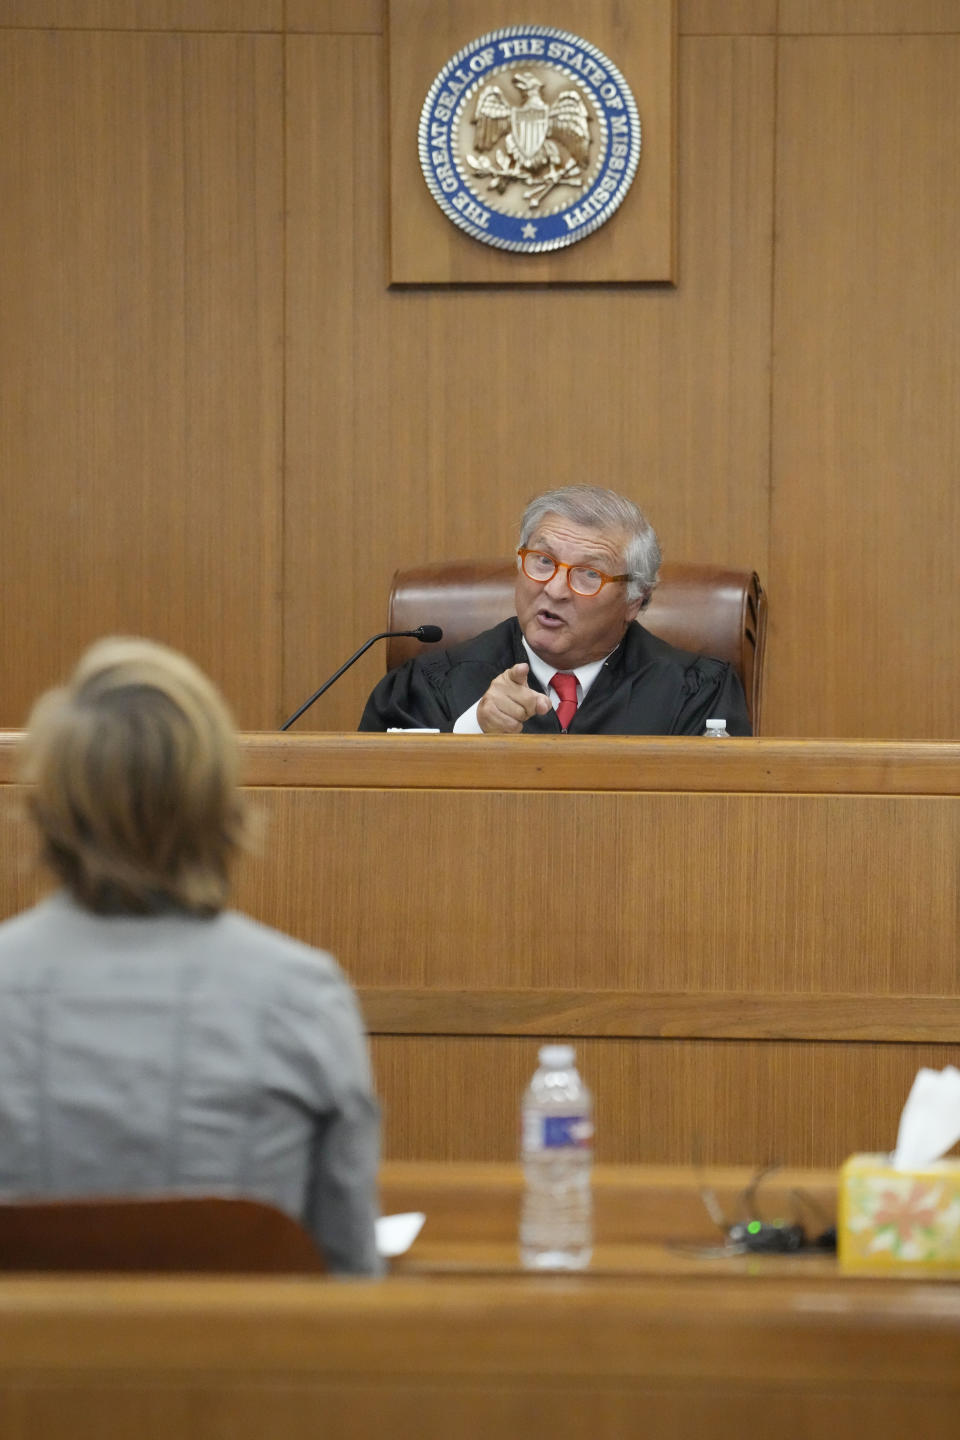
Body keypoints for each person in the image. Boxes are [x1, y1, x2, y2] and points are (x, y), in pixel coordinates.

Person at [0, 637, 382, 1275]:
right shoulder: (302, 996)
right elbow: (346, 1269)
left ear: (51, 806)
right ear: (219, 804)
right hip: (242, 1368)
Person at [359, 485, 751, 735]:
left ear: (635, 601)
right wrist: (473, 728)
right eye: (543, 561)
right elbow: (385, 814)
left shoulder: (696, 693)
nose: (555, 588)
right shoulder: (431, 684)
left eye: (588, 574)